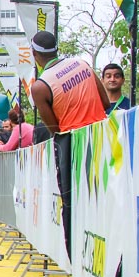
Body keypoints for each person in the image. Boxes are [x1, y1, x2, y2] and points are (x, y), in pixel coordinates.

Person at [29, 30, 109, 258]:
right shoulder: (82, 64)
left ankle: (77, 263)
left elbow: (54, 128)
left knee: (72, 207)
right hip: (101, 137)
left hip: (72, 147)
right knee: (103, 203)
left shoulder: (40, 86)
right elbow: (104, 101)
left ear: (35, 54)